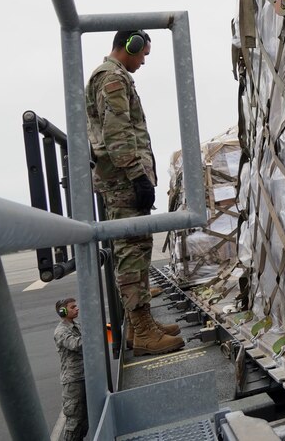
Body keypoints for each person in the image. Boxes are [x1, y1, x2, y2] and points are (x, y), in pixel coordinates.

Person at [85, 30, 183, 356]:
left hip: (126, 178)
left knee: (139, 247)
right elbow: (117, 131)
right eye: (142, 54)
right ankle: (142, 331)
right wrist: (136, 175)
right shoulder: (111, 78)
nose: (142, 61)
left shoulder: (116, 77)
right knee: (130, 251)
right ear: (131, 45)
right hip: (123, 180)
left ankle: (143, 325)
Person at [54, 298, 88, 441]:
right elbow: (75, 344)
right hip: (73, 380)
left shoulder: (76, 325)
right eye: (73, 307)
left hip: (84, 375)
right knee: (74, 421)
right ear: (63, 311)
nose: (77, 308)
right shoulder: (61, 331)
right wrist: (94, 334)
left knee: (84, 421)